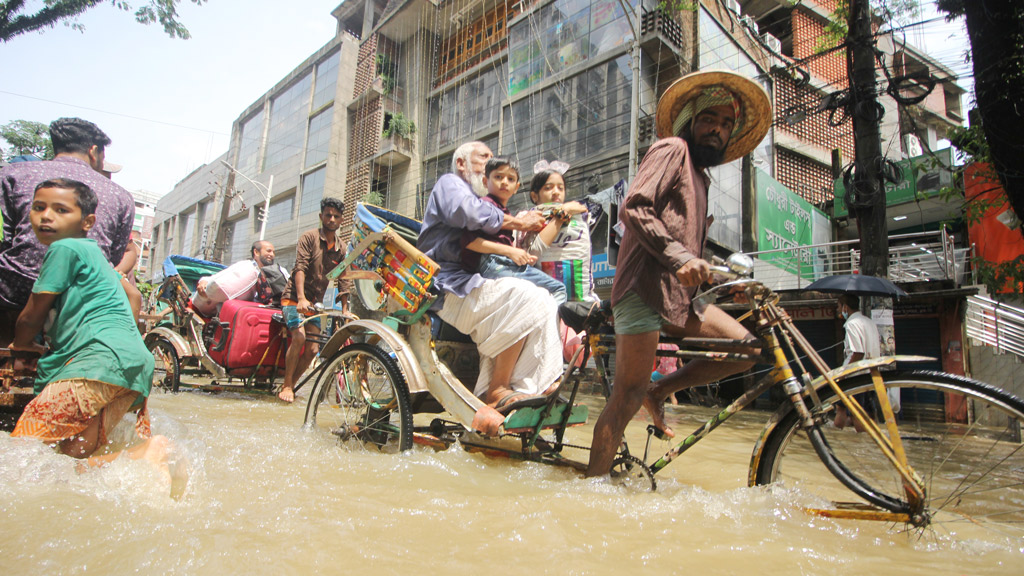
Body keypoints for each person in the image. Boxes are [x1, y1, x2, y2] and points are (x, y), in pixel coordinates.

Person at [586, 70, 772, 477]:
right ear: (691, 120)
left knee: (747, 349)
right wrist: (678, 257)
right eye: (710, 119)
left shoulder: (701, 179)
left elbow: (692, 255)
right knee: (626, 396)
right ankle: (592, 490)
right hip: (643, 288)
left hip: (680, 296)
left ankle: (662, 389)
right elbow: (634, 206)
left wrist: (728, 284)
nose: (718, 130)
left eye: (726, 124)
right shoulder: (672, 149)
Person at [9, 178, 170, 472]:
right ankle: (143, 456)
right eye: (38, 208)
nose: (46, 216)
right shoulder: (96, 255)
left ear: (88, 221)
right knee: (71, 458)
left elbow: (31, 315)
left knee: (21, 456)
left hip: (98, 362)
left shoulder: (65, 249)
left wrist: (21, 347)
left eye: (60, 210)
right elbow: (133, 295)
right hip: (132, 365)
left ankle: (148, 451)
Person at [418, 141, 562, 423]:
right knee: (528, 296)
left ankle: (528, 388)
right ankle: (496, 389)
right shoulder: (451, 185)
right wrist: (519, 224)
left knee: (544, 298)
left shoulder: (486, 201)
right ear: (462, 164)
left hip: (470, 282)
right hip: (446, 285)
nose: (491, 161)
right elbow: (469, 214)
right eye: (484, 157)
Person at [0, 118, 136, 345]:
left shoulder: (12, 174)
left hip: (13, 290)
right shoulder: (121, 196)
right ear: (94, 152)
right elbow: (112, 257)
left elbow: (6, 236)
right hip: (80, 301)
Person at [460, 157, 567, 304]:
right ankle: (550, 326)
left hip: (498, 263)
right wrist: (511, 252)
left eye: (510, 179)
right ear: (485, 181)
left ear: (516, 187)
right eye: (498, 177)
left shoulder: (504, 212)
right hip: (493, 263)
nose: (504, 182)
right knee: (558, 289)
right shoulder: (485, 206)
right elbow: (468, 241)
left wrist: (521, 256)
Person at [278, 198, 352, 403]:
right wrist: (301, 298)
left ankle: (291, 385)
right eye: (328, 215)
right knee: (299, 337)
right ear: (321, 217)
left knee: (313, 349)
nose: (331, 219)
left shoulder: (342, 248)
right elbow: (299, 267)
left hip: (315, 303)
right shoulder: (309, 237)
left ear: (341, 221)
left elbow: (343, 278)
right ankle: (286, 385)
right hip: (294, 298)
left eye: (336, 216)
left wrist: (345, 309)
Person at [516, 159, 599, 304]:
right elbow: (533, 254)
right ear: (535, 196)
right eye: (548, 188)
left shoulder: (578, 217)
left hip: (577, 307)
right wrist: (562, 214)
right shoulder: (526, 219)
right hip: (540, 304)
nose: (556, 193)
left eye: (560, 188)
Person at [832, 293, 897, 429]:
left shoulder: (851, 324)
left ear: (845, 307)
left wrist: (843, 374)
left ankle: (844, 439)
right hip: (870, 373)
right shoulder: (869, 322)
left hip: (854, 375)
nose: (838, 310)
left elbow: (858, 352)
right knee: (854, 410)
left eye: (839, 307)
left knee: (852, 411)